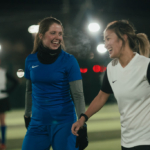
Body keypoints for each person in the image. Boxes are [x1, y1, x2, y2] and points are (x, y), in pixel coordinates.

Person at [72, 20, 150, 150]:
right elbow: (102, 96)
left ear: (124, 38)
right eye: (104, 40)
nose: (105, 44)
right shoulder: (111, 68)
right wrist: (83, 119)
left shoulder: (146, 65)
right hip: (127, 142)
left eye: (108, 39)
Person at [22, 17, 88, 150]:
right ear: (41, 35)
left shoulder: (69, 61)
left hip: (65, 124)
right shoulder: (30, 60)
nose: (57, 37)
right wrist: (27, 114)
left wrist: (82, 126)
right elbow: (29, 90)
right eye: (53, 33)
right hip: (37, 124)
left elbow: (78, 95)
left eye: (60, 33)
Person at [0, 60, 18, 150]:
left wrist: (7, 91)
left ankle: (3, 143)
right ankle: (1, 142)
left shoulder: (3, 72)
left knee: (2, 121)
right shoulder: (3, 72)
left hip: (2, 98)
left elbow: (15, 82)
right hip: (3, 98)